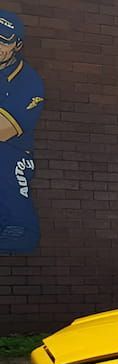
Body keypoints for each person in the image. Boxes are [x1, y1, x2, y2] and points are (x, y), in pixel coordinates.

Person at [0, 10, 44, 253]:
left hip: (14, 154)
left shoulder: (28, 81)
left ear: (17, 44)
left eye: (3, 40)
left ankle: (20, 229)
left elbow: (3, 129)